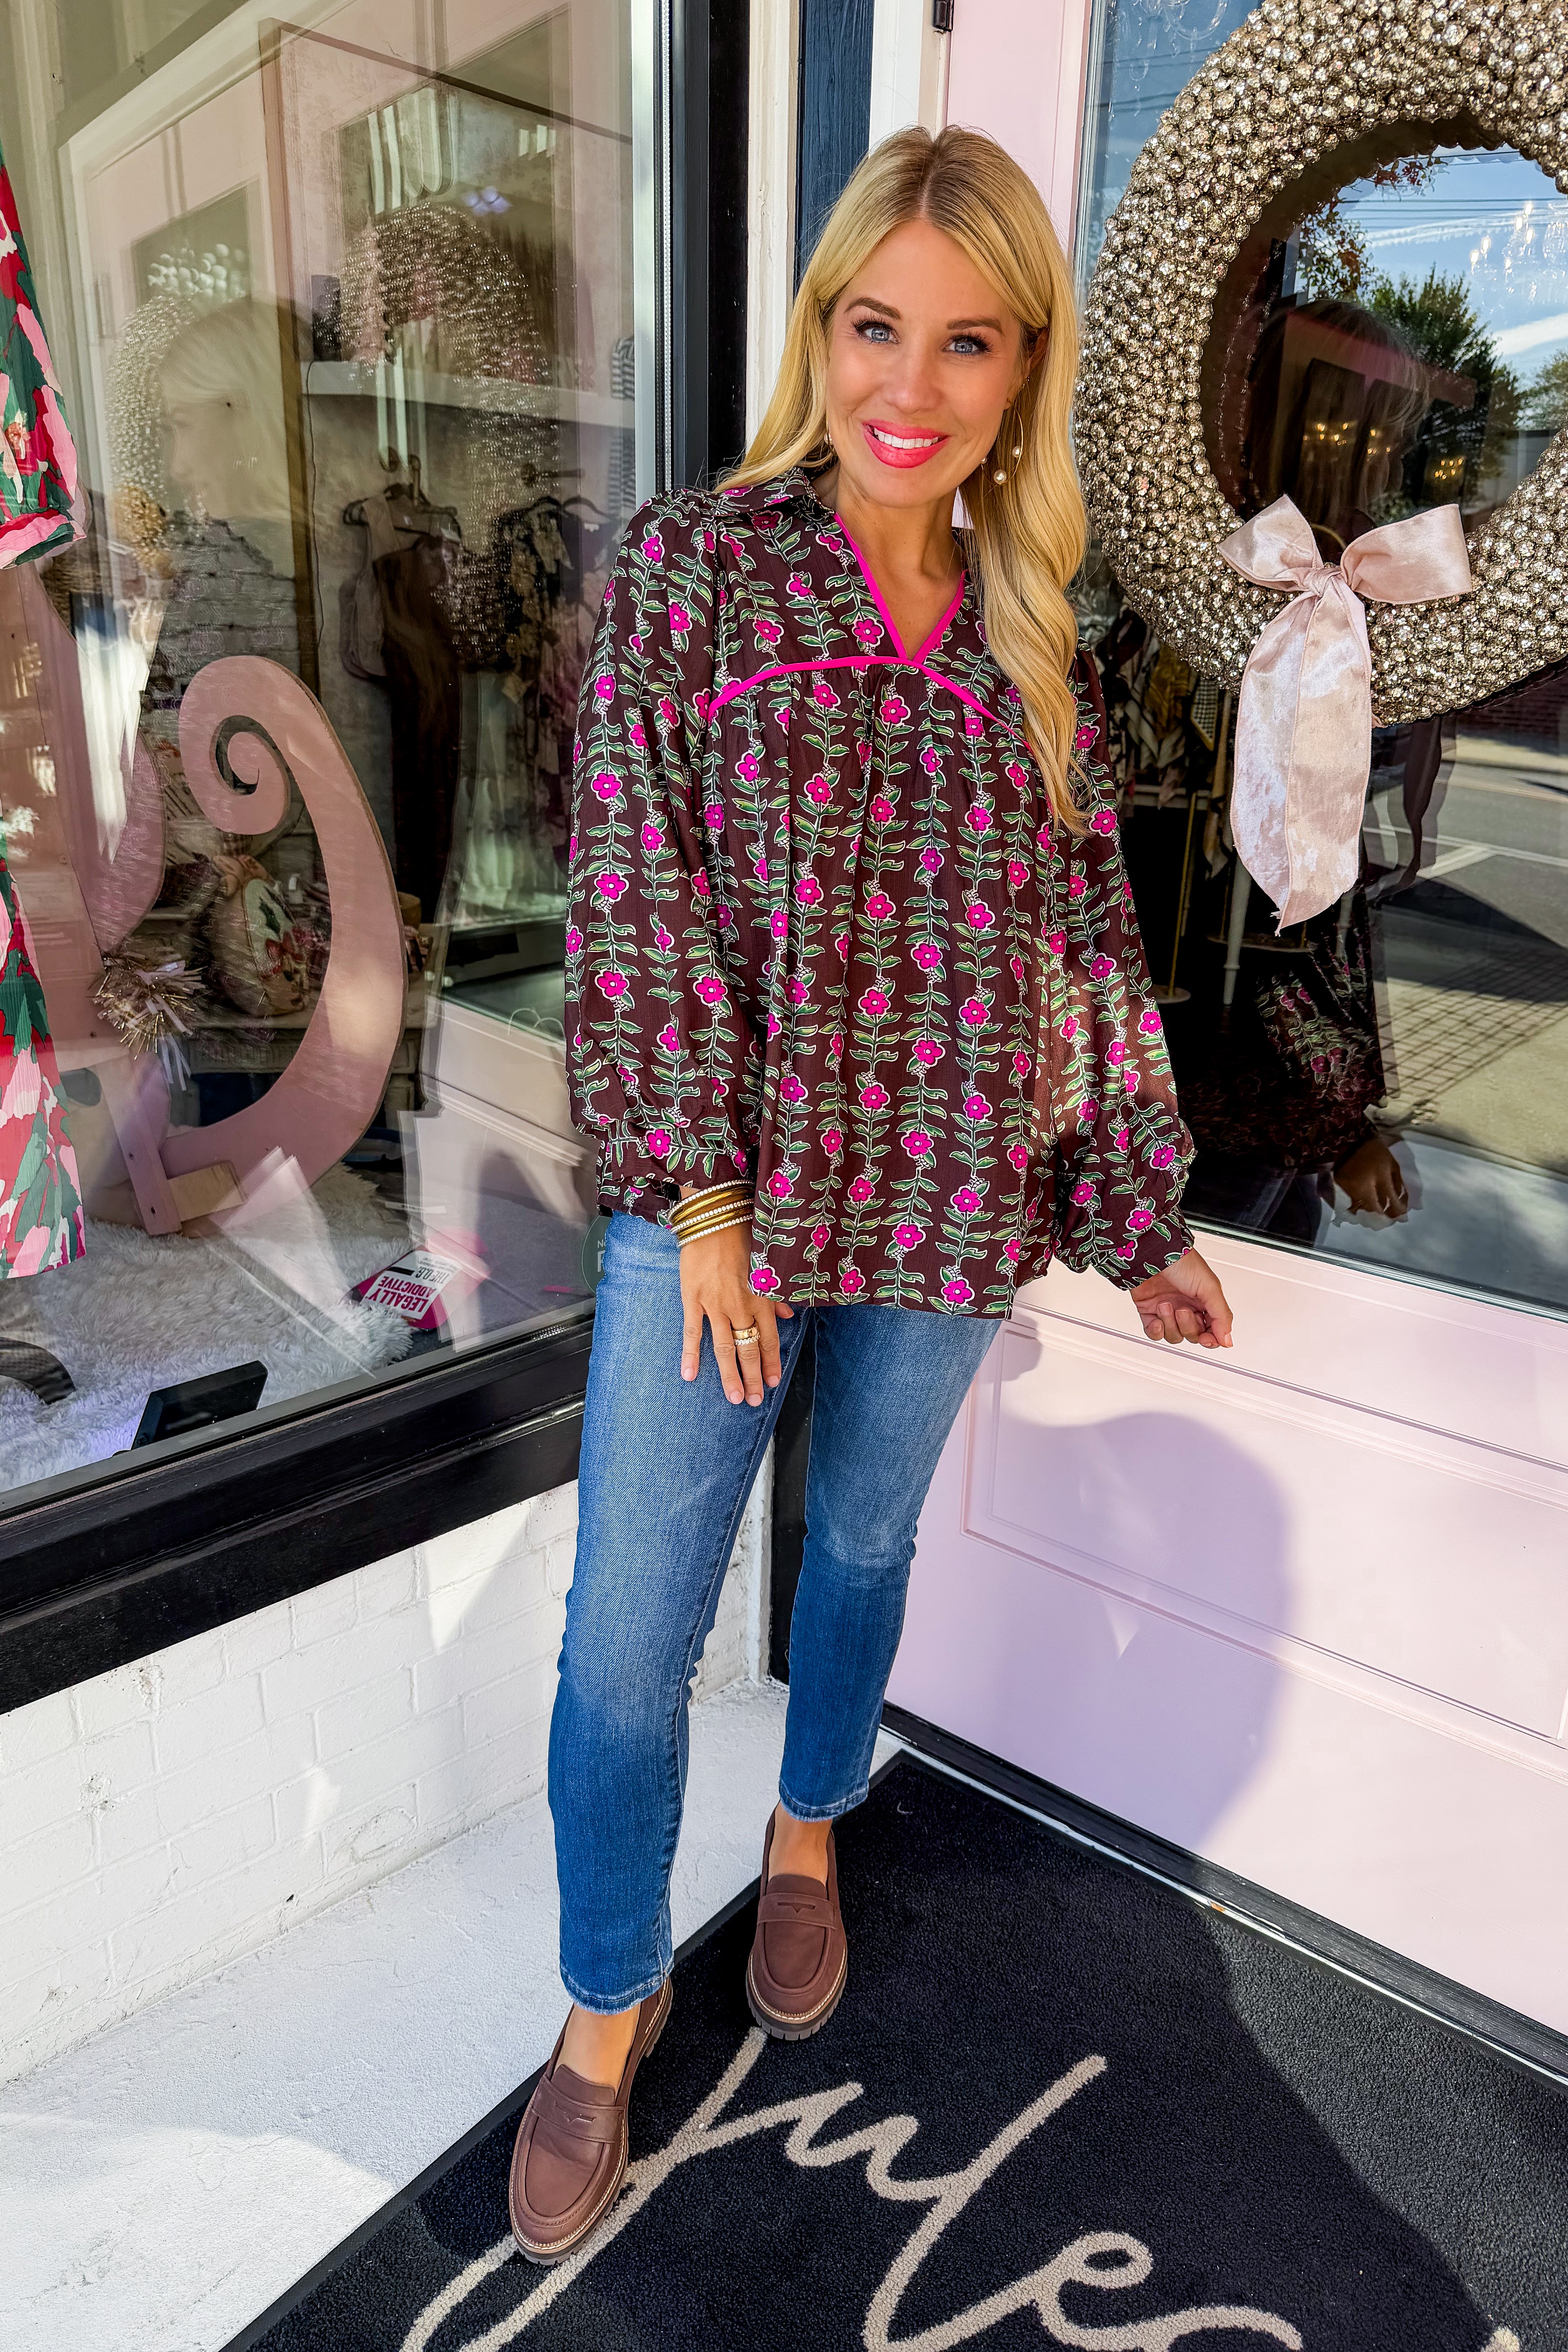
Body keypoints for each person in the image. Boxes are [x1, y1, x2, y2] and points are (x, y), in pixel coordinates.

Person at [507, 124, 1234, 2266]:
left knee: (866, 1542)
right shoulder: (697, 570)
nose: (910, 385)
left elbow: (1082, 942)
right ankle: (609, 1997)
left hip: (942, 1202)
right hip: (713, 1207)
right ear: (821, 329)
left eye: (968, 341)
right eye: (873, 324)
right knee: (627, 1640)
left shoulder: (1036, 639)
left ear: (1023, 371)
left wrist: (1137, 1210)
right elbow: (633, 891)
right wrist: (703, 1208)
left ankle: (810, 1828)